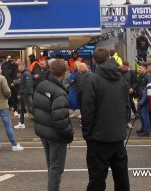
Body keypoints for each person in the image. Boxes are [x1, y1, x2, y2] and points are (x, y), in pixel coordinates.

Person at [81, 47, 130, 191]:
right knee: (121, 177)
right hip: (117, 135)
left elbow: (88, 110)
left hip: (99, 137)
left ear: (95, 62)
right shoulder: (120, 79)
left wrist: (87, 133)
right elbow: (126, 106)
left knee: (97, 178)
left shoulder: (93, 80)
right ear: (109, 58)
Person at [34, 59, 74, 191]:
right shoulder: (59, 92)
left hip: (44, 133)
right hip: (56, 135)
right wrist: (70, 134)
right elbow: (60, 120)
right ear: (63, 73)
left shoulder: (42, 85)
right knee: (56, 169)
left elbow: (36, 108)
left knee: (51, 167)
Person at [133, 62, 151, 137]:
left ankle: (147, 131)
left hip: (144, 98)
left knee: (144, 114)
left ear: (145, 68)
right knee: (140, 114)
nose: (139, 69)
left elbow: (147, 88)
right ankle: (143, 128)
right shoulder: (141, 76)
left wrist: (144, 97)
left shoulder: (147, 76)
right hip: (140, 96)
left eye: (141, 68)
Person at [15, 62, 34, 129]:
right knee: (22, 108)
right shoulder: (24, 73)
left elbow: (27, 85)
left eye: (18, 67)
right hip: (23, 94)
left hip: (26, 94)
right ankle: (21, 123)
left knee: (29, 108)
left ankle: (41, 120)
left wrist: (22, 94)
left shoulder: (26, 74)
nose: (18, 68)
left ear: (21, 66)